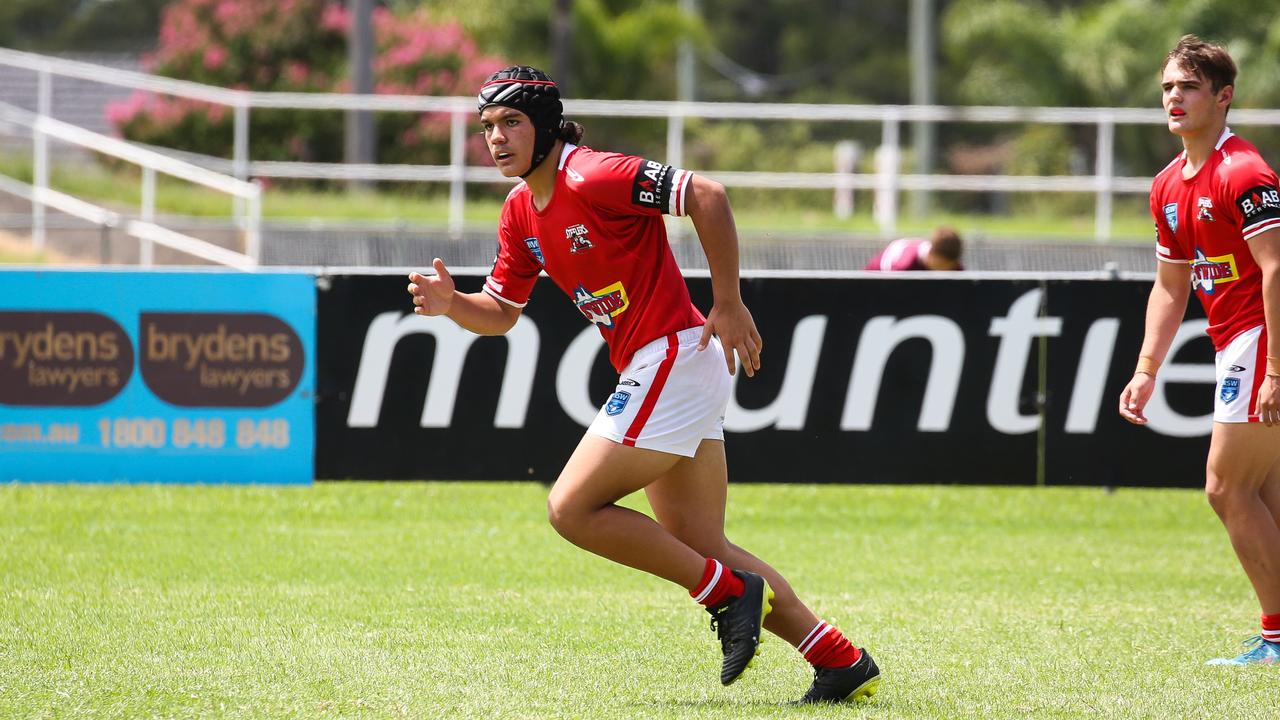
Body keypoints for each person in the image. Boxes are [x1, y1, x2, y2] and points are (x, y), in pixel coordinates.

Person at [407, 66, 880, 702]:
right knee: (701, 542)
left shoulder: (593, 173)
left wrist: (730, 301)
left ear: (545, 125)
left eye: (511, 123)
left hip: (676, 356)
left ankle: (729, 594)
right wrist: (451, 304)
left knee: (571, 509)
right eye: (488, 127)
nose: (496, 138)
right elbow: (500, 313)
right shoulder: (520, 211)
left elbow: (707, 195)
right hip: (670, 365)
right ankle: (838, 659)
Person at [1119, 35, 1280, 665]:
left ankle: (1275, 636)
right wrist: (1145, 370)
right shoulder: (1166, 185)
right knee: (1263, 493)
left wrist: (1274, 369)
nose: (1174, 98)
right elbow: (1170, 285)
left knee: (1225, 488)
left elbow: (1276, 271)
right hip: (1233, 341)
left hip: (1259, 339)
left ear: (1223, 96)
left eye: (1188, 87)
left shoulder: (1245, 171)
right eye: (1167, 88)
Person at [864, 226, 964, 271]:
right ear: (931, 255)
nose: (945, 271)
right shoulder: (902, 266)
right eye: (942, 265)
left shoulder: (954, 269)